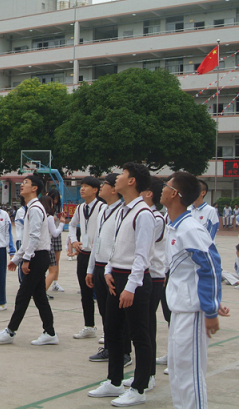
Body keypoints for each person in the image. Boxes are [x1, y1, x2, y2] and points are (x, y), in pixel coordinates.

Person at [87, 163, 155, 406]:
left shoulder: (143, 213)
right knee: (112, 331)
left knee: (139, 335)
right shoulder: (124, 210)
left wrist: (131, 286)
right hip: (115, 276)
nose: (116, 179)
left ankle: (139, 388)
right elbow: (115, 244)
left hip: (133, 280)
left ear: (132, 181)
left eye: (122, 175)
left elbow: (142, 254)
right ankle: (114, 381)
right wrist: (107, 270)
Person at [159, 171, 222, 409]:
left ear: (175, 193)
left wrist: (211, 309)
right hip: (179, 309)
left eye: (166, 186)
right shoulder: (173, 225)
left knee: (190, 374)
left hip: (193, 312)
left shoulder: (190, 228)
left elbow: (211, 268)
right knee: (177, 370)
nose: (162, 189)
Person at [0, 175, 59, 346]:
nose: (22, 186)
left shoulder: (35, 208)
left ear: (35, 188)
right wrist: (17, 258)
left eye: (26, 183)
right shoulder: (32, 208)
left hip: (38, 256)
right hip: (37, 255)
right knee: (40, 297)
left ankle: (10, 331)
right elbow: (28, 239)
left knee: (23, 295)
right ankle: (50, 332)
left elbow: (34, 238)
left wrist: (26, 259)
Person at [122, 176, 167, 392]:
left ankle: (148, 375)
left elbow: (143, 248)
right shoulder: (142, 213)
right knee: (142, 327)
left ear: (149, 193)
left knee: (147, 327)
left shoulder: (154, 217)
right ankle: (142, 372)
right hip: (147, 274)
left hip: (154, 275)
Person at [85, 173, 129, 365]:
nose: (101, 187)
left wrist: (107, 269)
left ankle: (124, 351)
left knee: (117, 314)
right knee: (104, 311)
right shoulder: (104, 210)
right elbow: (97, 242)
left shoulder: (122, 211)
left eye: (105, 185)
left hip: (113, 268)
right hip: (100, 265)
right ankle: (110, 348)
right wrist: (90, 268)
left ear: (114, 190)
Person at [68, 176, 104, 340]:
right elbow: (71, 224)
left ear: (95, 190)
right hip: (84, 254)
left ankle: (108, 329)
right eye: (81, 186)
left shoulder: (102, 208)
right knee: (85, 292)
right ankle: (89, 325)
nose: (82, 189)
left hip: (99, 255)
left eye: (86, 186)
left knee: (103, 294)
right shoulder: (81, 207)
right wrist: (74, 241)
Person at [45, 188, 66, 293]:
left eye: (57, 199)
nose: (55, 201)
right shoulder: (45, 207)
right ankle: (46, 280)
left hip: (57, 234)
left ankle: (55, 282)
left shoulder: (58, 208)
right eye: (54, 199)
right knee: (47, 260)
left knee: (56, 259)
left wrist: (61, 218)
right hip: (48, 234)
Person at [14, 197, 27, 284]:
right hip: (21, 239)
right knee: (21, 262)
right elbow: (26, 223)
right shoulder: (21, 211)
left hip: (28, 240)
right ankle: (22, 282)